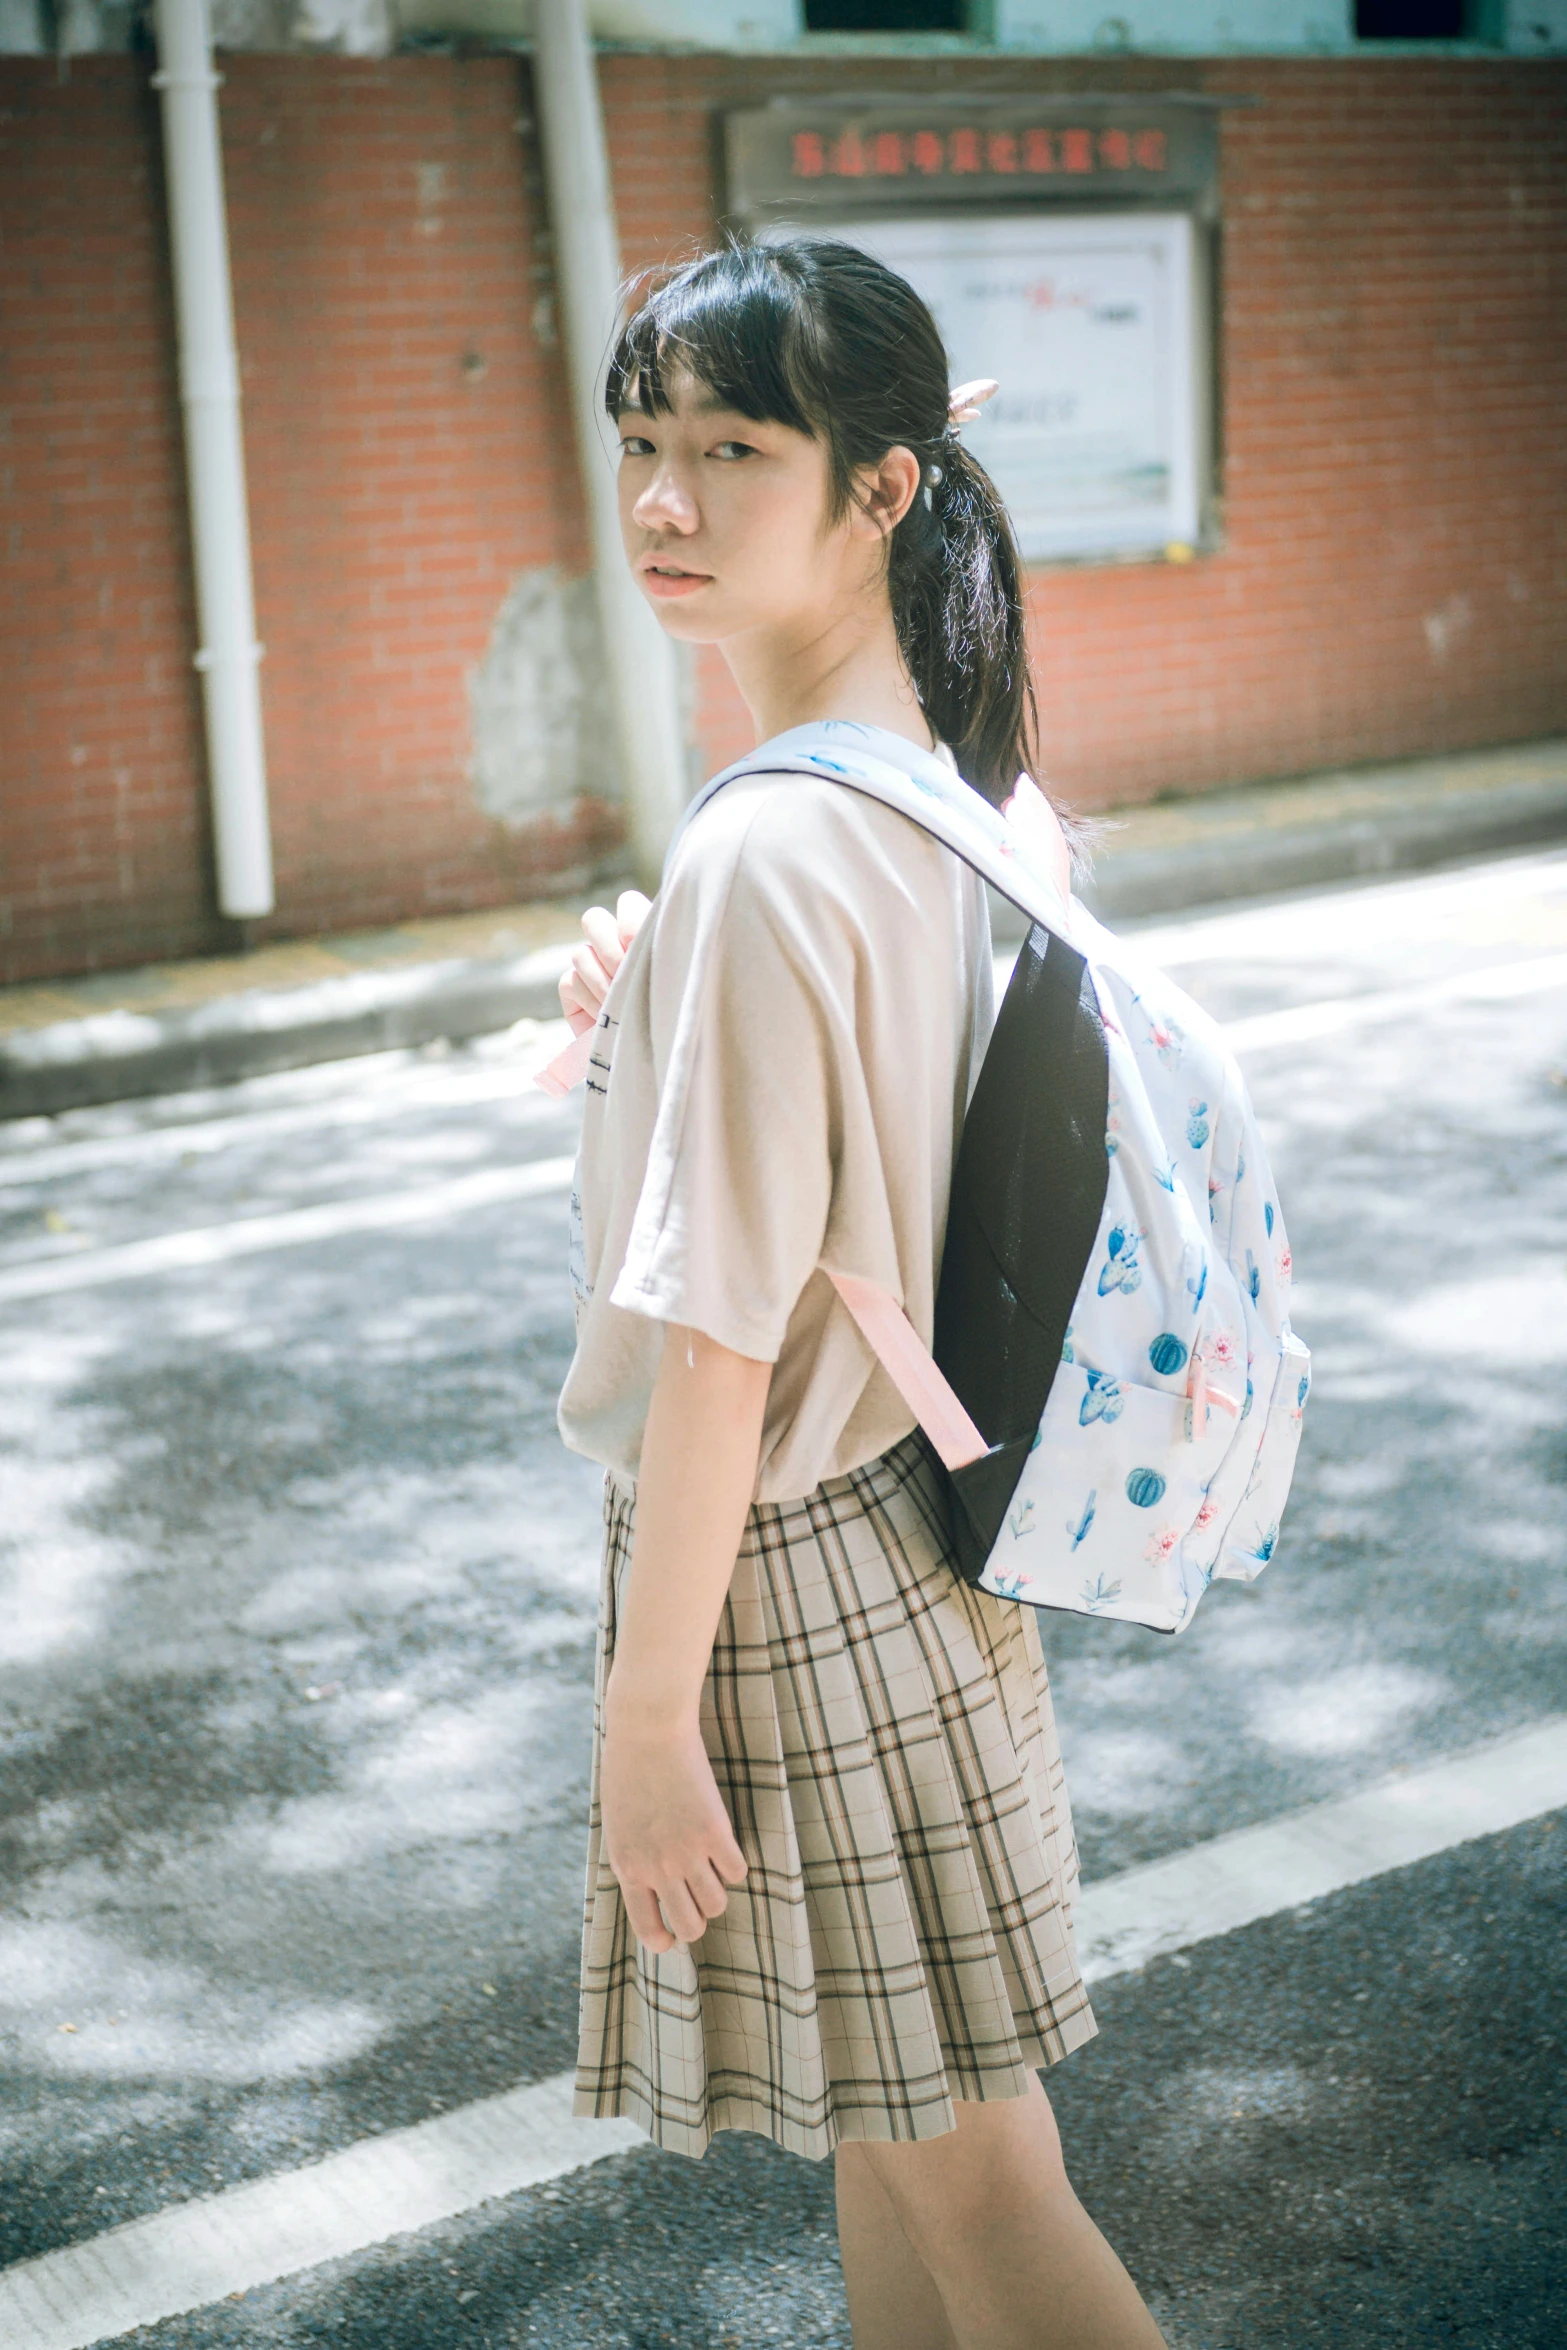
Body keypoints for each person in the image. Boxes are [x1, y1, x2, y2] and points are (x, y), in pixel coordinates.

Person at [553, 238, 1167, 2350]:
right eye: (641, 443)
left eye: (732, 448)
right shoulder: (955, 786)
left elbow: (720, 1332)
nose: (664, 501)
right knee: (912, 2157)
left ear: (882, 488)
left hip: (787, 1567)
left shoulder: (762, 848)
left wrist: (645, 1719)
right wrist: (657, 1020)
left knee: (979, 2188)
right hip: (926, 1532)